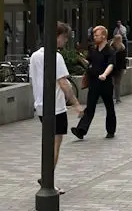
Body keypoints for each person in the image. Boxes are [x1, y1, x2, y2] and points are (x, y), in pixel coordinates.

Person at [30, 21, 84, 194]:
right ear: (56, 36)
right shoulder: (56, 56)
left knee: (49, 142)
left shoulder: (35, 56)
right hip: (56, 106)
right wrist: (76, 103)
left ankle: (46, 177)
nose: (65, 41)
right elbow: (63, 83)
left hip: (40, 105)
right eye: (64, 37)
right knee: (55, 144)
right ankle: (48, 179)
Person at [71, 26, 117, 140]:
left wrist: (104, 75)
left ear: (104, 36)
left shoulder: (109, 51)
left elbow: (111, 65)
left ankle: (111, 130)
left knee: (109, 107)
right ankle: (81, 130)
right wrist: (81, 59)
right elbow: (89, 62)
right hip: (94, 83)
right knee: (90, 107)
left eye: (97, 35)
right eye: (94, 35)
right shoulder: (93, 50)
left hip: (105, 84)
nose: (94, 37)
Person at [111, 34, 126, 103]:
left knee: (114, 83)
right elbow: (123, 60)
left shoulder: (112, 47)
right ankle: (117, 99)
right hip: (117, 68)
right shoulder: (121, 47)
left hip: (115, 68)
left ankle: (114, 98)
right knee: (116, 84)